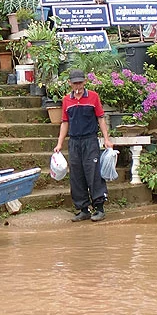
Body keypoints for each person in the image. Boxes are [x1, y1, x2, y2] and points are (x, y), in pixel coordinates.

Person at [54, 69, 113, 222]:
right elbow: (65, 122)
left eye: (80, 82)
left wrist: (106, 139)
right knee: (76, 175)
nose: (78, 86)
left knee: (93, 173)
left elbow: (100, 118)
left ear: (85, 82)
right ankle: (83, 209)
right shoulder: (67, 100)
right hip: (74, 142)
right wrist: (59, 143)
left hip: (90, 140)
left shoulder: (93, 97)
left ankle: (99, 208)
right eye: (75, 83)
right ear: (70, 84)